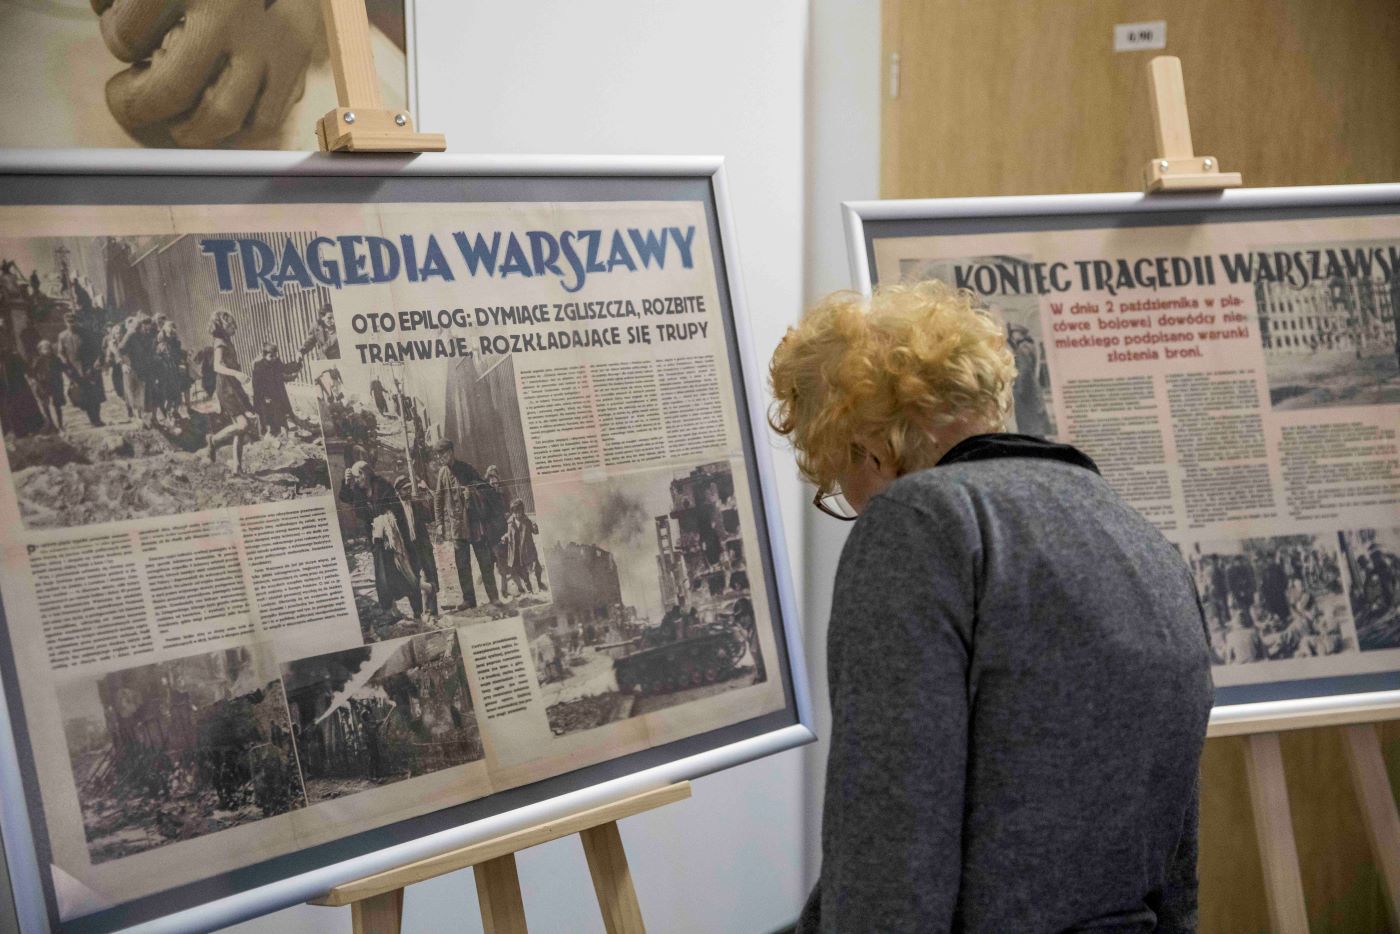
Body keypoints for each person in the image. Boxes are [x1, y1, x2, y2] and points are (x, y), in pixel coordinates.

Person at [768, 281, 1212, 933]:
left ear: (873, 449)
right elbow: (1177, 867)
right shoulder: (1142, 540)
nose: (856, 506)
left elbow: (888, 855)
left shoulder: (916, 523)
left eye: (841, 480)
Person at [430, 438, 498, 609]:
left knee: (485, 561)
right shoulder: (442, 474)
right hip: (457, 527)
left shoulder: (466, 468)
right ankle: (469, 600)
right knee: (462, 565)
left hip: (474, 524)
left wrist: (472, 489)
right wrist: (439, 523)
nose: (440, 458)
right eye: (438, 455)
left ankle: (494, 597)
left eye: (442, 454)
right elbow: (438, 499)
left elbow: (484, 487)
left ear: (451, 452)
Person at [205, 311, 256, 472]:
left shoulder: (227, 341)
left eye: (234, 324)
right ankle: (213, 440)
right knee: (243, 425)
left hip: (234, 387)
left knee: (240, 429)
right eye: (231, 325)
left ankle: (237, 467)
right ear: (222, 326)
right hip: (226, 389)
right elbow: (217, 366)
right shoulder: (220, 343)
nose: (235, 327)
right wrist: (237, 374)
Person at [394, 475, 439, 620]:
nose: (408, 492)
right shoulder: (395, 509)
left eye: (409, 488)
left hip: (422, 545)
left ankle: (432, 611)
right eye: (404, 489)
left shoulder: (416, 503)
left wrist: (427, 493)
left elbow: (430, 516)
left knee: (430, 574)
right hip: (408, 549)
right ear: (397, 492)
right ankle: (417, 612)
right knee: (413, 580)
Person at [55, 311, 105, 427]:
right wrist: (66, 363)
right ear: (65, 322)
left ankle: (97, 418)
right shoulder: (62, 336)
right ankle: (92, 419)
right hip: (75, 370)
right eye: (69, 322)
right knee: (83, 396)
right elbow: (60, 352)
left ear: (76, 321)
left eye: (73, 322)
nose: (71, 324)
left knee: (95, 394)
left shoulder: (86, 333)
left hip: (89, 368)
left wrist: (96, 363)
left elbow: (97, 349)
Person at [251, 343, 294, 438]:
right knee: (266, 411)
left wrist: (296, 365)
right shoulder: (259, 366)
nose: (274, 358)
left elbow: (284, 369)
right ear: (264, 355)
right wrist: (264, 397)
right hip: (263, 393)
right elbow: (256, 385)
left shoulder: (276, 362)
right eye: (271, 356)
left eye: (275, 355)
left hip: (275, 391)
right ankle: (268, 430)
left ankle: (283, 428)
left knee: (280, 407)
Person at [502, 499, 543, 595]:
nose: (517, 514)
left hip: (527, 549)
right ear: (512, 512)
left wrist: (535, 525)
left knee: (534, 568)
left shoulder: (527, 521)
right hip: (516, 551)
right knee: (522, 571)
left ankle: (539, 584)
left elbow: (536, 532)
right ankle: (529, 588)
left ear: (522, 511)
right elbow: (509, 534)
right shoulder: (510, 522)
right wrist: (505, 537)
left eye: (519, 512)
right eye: (515, 512)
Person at [28, 339, 64, 432]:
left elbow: (63, 368)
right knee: (45, 405)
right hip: (43, 385)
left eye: (48, 348)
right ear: (40, 350)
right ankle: (51, 424)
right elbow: (32, 373)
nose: (47, 351)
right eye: (44, 349)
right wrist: (36, 382)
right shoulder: (38, 360)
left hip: (56, 384)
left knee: (57, 404)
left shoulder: (56, 359)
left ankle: (60, 424)